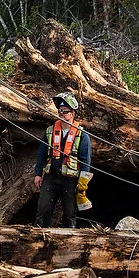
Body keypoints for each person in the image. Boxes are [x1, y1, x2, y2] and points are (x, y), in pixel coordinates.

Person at [34, 91, 93, 228]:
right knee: (43, 210)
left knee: (70, 213)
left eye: (65, 111)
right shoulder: (50, 131)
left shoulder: (82, 135)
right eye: (60, 111)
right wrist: (38, 174)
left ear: (72, 113)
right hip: (51, 177)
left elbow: (85, 161)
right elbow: (41, 154)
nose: (61, 114)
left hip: (71, 180)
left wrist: (83, 183)